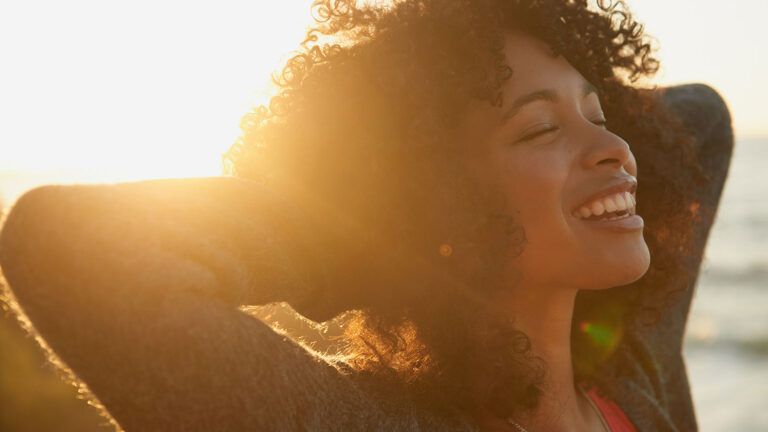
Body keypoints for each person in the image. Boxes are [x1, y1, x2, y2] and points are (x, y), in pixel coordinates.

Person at [0, 0, 733, 431]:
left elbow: (700, 121)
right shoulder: (363, 420)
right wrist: (387, 230)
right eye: (541, 129)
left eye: (600, 114)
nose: (613, 148)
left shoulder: (634, 379)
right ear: (441, 196)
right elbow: (62, 247)